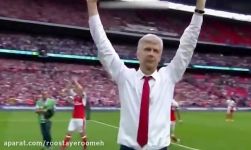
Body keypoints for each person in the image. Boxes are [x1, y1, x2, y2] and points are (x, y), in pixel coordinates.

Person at [87, 0, 206, 149]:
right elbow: (102, 43)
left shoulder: (169, 76)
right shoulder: (124, 76)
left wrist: (199, 9)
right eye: (147, 49)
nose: (151, 53)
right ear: (137, 53)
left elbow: (188, 44)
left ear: (160, 56)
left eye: (155, 51)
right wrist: (91, 6)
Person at [61, 77, 88, 150]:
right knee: (69, 133)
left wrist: (75, 81)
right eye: (76, 89)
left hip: (81, 119)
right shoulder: (75, 97)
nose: (76, 89)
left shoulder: (83, 96)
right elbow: (65, 92)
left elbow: (81, 89)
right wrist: (69, 85)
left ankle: (85, 146)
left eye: (77, 88)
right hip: (73, 118)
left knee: (82, 134)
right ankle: (63, 147)